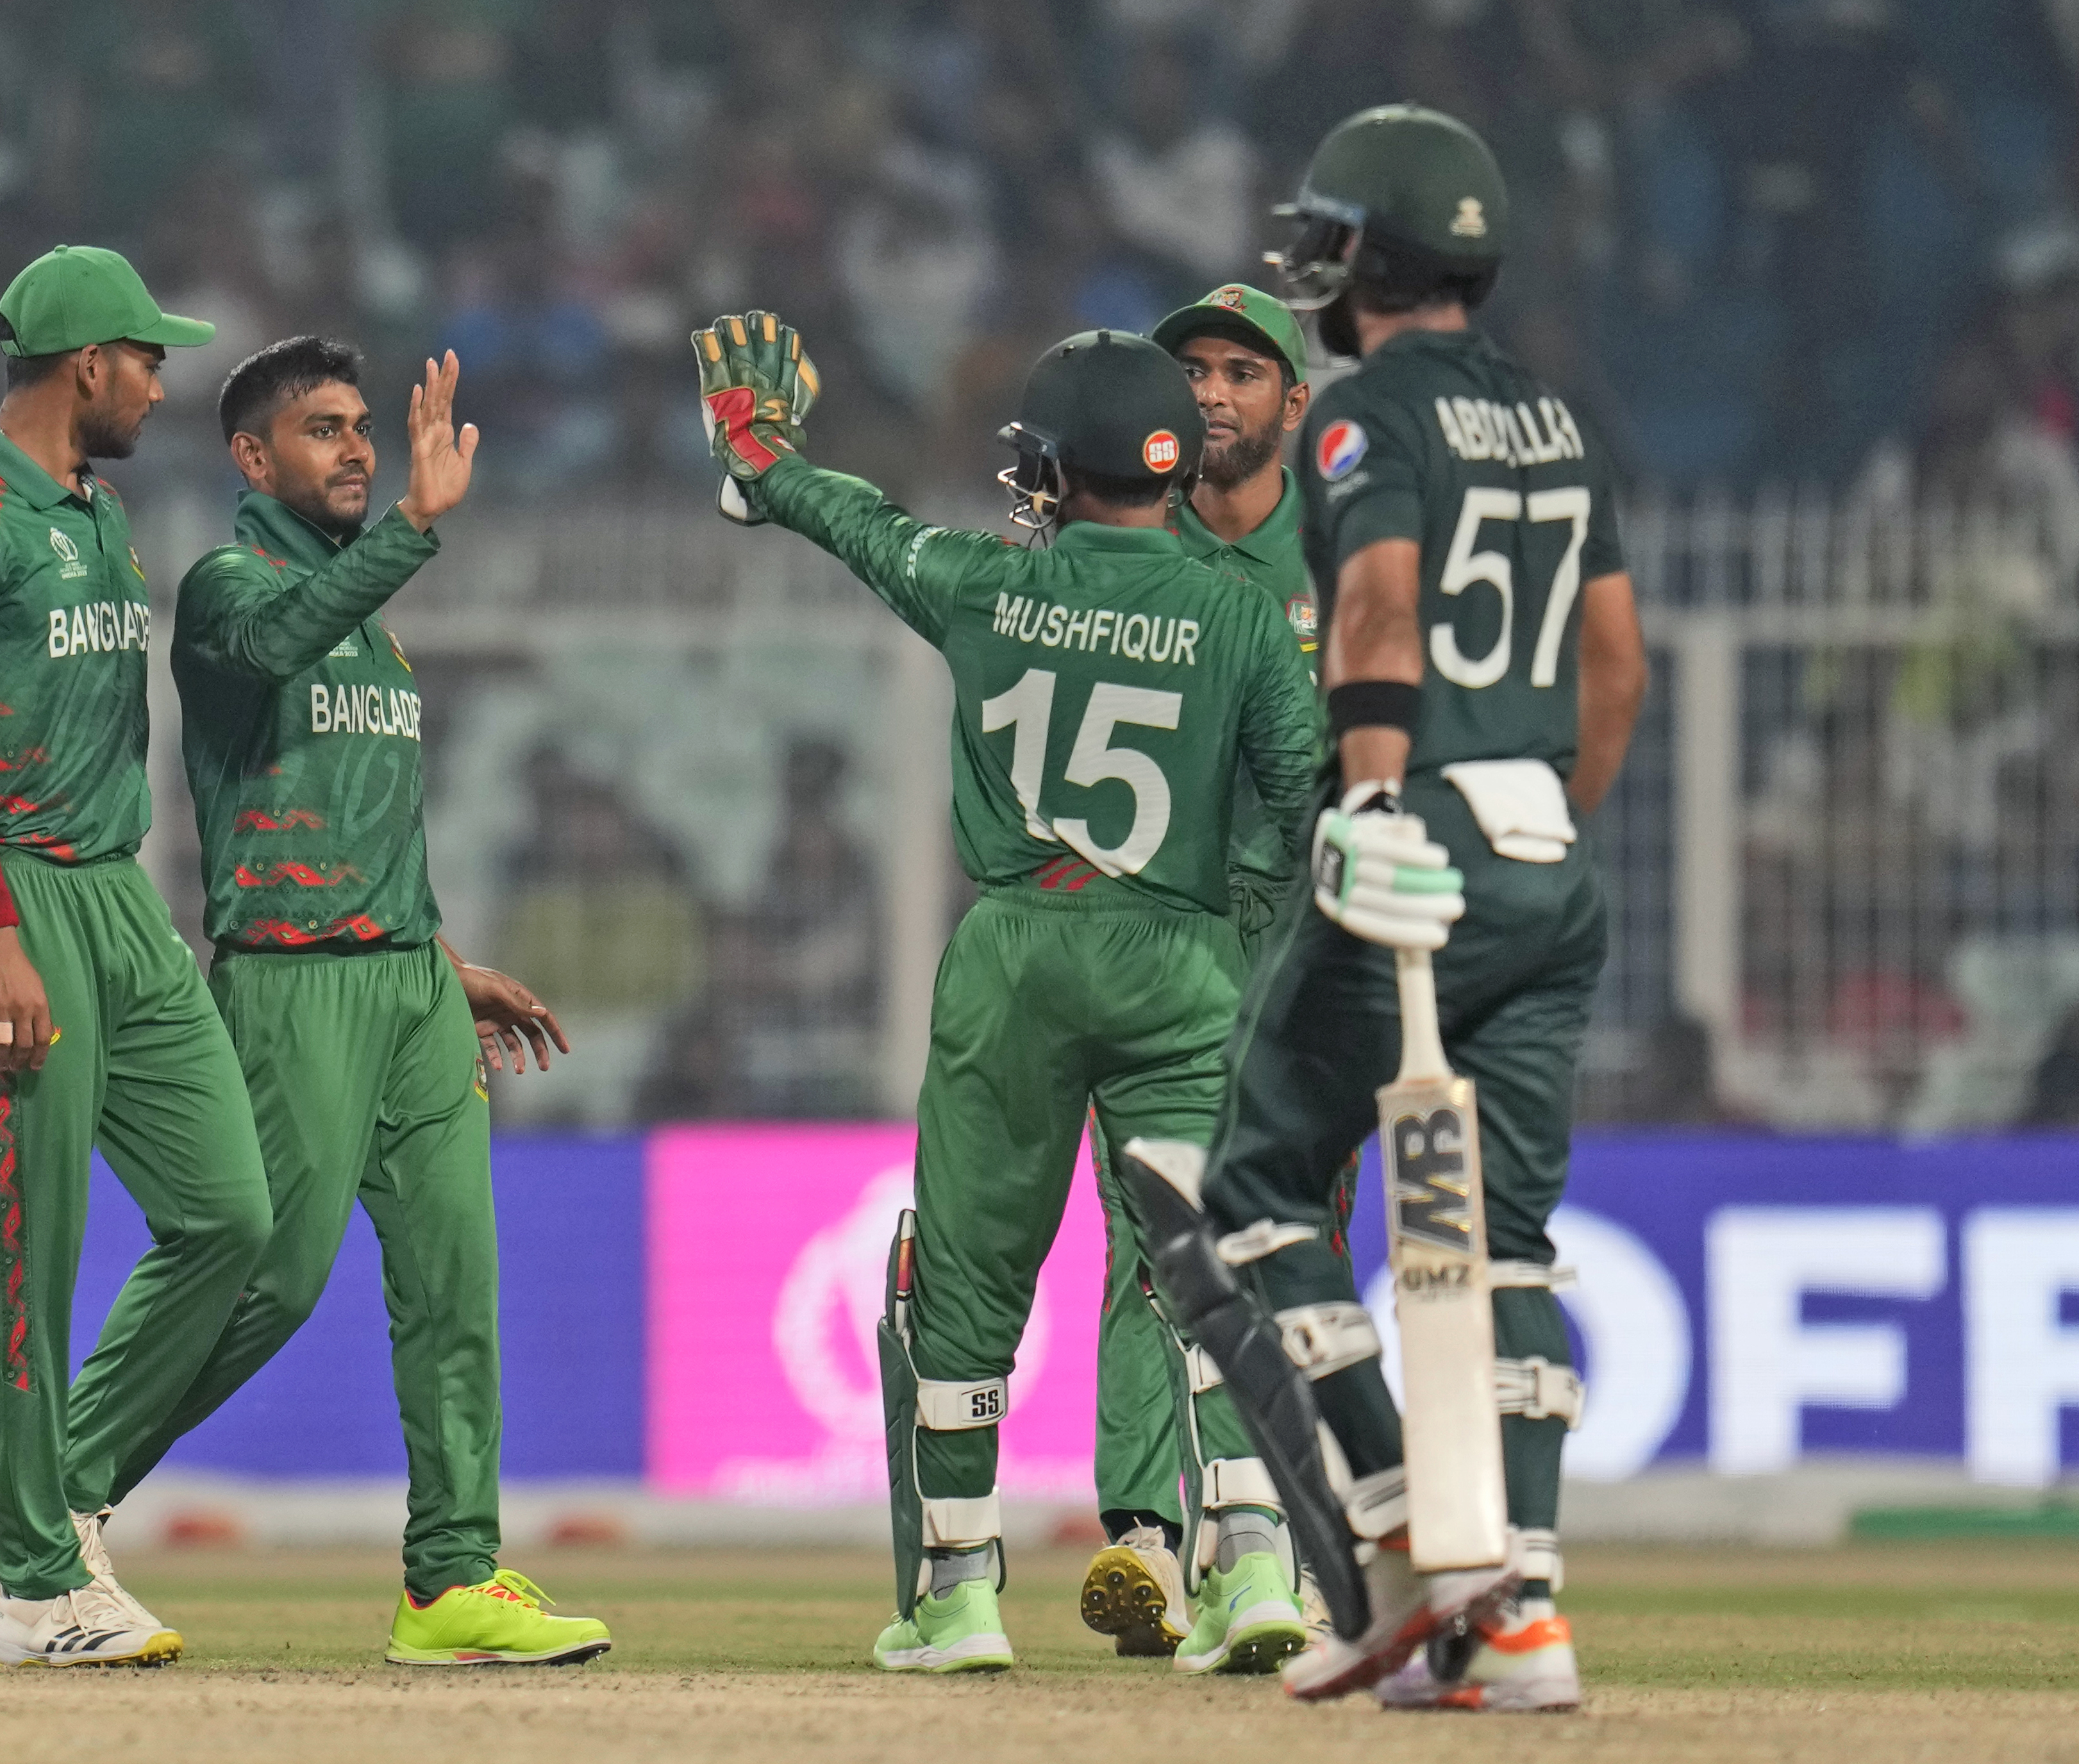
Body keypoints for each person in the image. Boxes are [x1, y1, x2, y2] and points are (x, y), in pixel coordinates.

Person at [694, 311, 1323, 1672]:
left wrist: (761, 458)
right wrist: (1239, 915)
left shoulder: (983, 581)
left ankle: (962, 1590)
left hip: (1021, 947)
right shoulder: (1241, 613)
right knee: (1207, 1266)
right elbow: (1302, 792)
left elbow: (859, 526)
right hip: (1186, 958)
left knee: (969, 1279)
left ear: (1058, 462)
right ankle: (1259, 1564)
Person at [1133, 105, 1650, 1711]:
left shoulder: (1364, 421)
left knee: (1252, 1194)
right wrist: (1539, 829)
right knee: (1505, 1243)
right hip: (1547, 860)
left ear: (1370, 255)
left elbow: (1374, 605)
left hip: (1416, 842)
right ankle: (1527, 1619)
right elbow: (1618, 665)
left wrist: (1373, 800)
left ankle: (1404, 1546)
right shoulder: (1558, 421)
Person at [154, 335, 611, 1667]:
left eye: (363, 427)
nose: (357, 447)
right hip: (292, 980)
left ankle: (452, 1580)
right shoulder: (227, 589)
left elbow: (361, 809)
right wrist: (412, 525)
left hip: (406, 976)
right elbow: (286, 640)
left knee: (455, 1283)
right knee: (273, 1276)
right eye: (323, 429)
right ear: (252, 457)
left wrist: (434, 954)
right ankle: (54, 1493)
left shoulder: (374, 616)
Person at [0, 244, 268, 1668]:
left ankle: (46, 1491)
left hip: (113, 896)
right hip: (12, 898)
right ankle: (36, 1590)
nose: (162, 380)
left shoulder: (103, 518)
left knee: (236, 1210)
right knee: (29, 1249)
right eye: (146, 357)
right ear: (85, 364)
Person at [1078, 284, 1328, 1674]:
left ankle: (1273, 1541)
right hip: (1159, 956)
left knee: (1281, 1244)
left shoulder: (1352, 555)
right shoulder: (1118, 549)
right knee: (1147, 1246)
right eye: (1194, 371)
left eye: (1245, 370)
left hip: (1303, 966)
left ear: (1296, 403)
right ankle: (1152, 1545)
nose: (1215, 393)